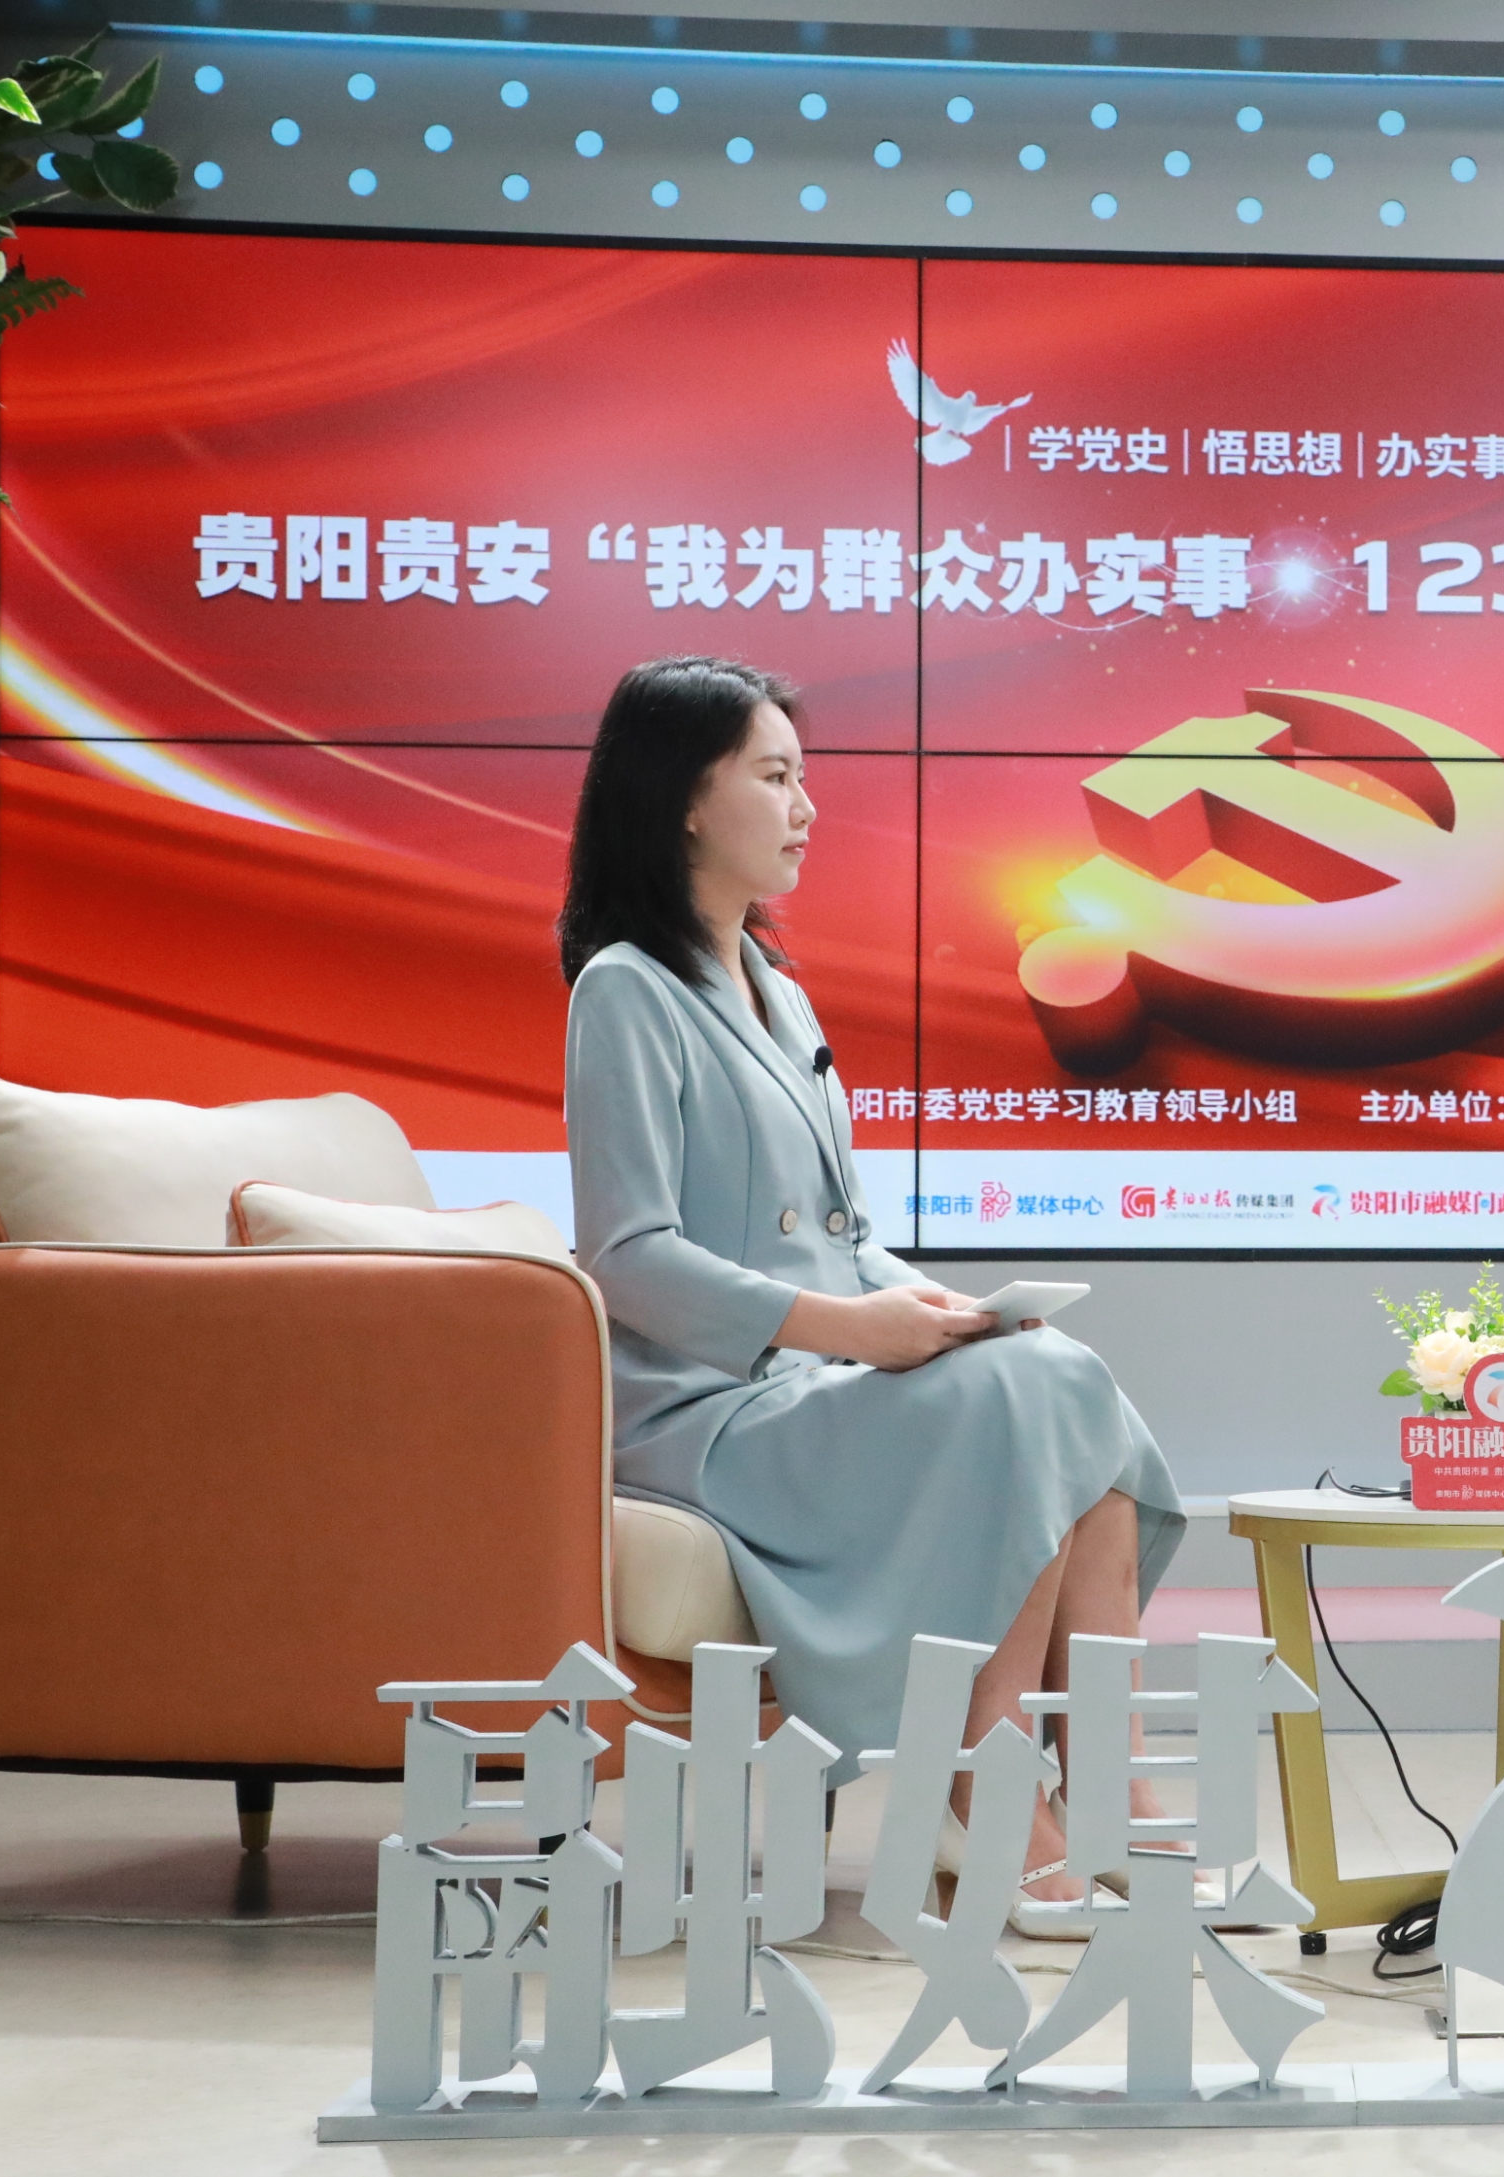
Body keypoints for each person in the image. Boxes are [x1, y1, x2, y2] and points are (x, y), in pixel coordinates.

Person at [560, 654, 1185, 1935]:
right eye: (774, 777)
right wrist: (855, 1330)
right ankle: (984, 1789)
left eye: (803, 778)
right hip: (707, 1412)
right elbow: (628, 1253)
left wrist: (939, 1308)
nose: (805, 808)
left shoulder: (778, 990)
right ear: (686, 799)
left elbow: (843, 1238)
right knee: (1031, 1397)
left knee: (1062, 1378)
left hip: (815, 1382)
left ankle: (1104, 1781)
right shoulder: (623, 986)